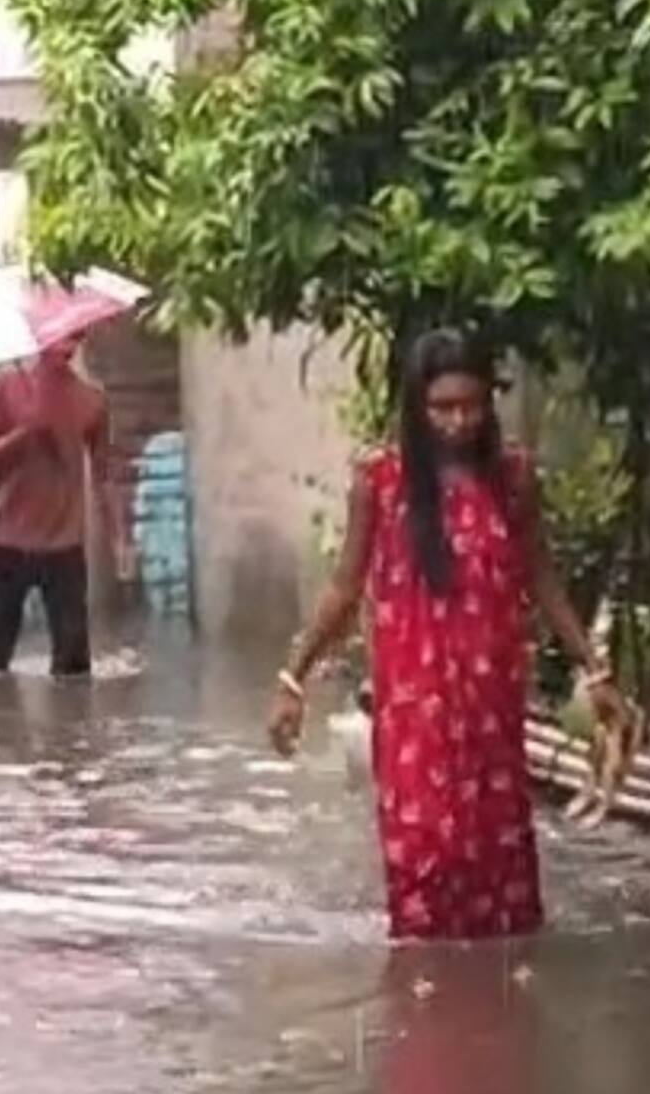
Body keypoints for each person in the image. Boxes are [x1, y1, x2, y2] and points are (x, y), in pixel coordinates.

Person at [268, 327, 625, 941]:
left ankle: (499, 996)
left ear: (489, 401)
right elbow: (344, 588)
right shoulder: (380, 481)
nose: (458, 421)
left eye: (471, 404)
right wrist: (292, 679)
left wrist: (596, 670)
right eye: (442, 407)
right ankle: (424, 997)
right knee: (422, 871)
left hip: (490, 714)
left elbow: (542, 578)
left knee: (501, 881)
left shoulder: (512, 478)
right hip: (416, 721)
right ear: (417, 406)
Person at [0, 334, 113, 678]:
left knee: (74, 672)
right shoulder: (4, 389)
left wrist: (118, 539)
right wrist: (23, 435)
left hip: (64, 544)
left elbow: (102, 476)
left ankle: (69, 718)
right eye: (57, 339)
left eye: (72, 338)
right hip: (7, 542)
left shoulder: (92, 401)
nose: (64, 347)